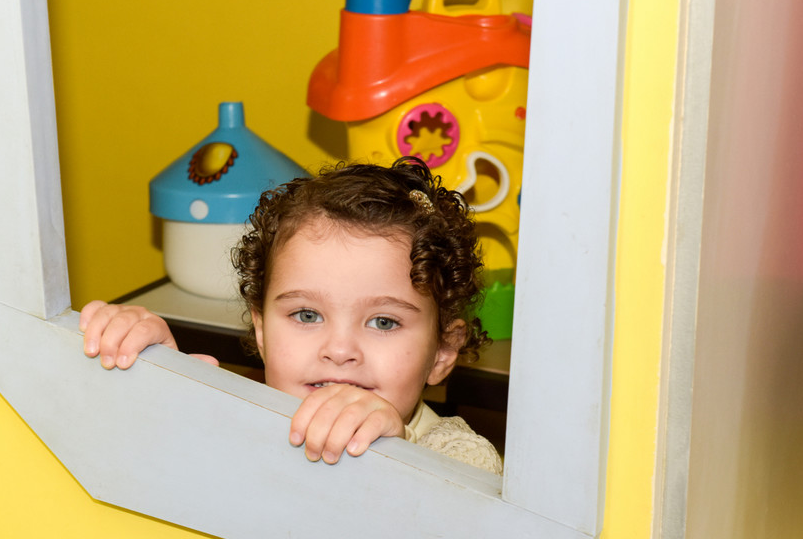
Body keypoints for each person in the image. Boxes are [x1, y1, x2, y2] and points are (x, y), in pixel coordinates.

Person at [79, 157, 503, 475]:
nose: (339, 350)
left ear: (443, 352)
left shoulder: (461, 457)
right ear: (261, 330)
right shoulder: (231, 414)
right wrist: (146, 377)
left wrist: (393, 457)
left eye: (384, 322)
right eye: (306, 315)